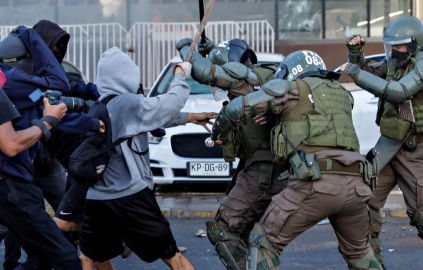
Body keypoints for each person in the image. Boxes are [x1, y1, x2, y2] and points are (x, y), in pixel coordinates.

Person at [214, 50, 381, 270]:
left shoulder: (292, 88)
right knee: (360, 254)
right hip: (358, 186)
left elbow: (239, 108)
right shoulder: (341, 93)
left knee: (262, 244)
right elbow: (309, 115)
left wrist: (220, 129)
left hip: (316, 183)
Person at [78, 46, 215, 270]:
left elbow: (148, 116)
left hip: (96, 196)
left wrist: (190, 118)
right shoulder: (126, 103)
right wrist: (180, 75)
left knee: (89, 256)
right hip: (130, 195)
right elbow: (168, 104)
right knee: (172, 255)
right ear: (128, 76)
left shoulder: (99, 107)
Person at [341, 16, 423, 270]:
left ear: (416, 44)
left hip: (419, 149)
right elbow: (373, 76)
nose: (395, 50)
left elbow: (398, 92)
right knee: (363, 199)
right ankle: (373, 264)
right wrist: (355, 53)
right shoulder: (397, 61)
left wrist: (356, 75)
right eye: (392, 45)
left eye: (401, 45)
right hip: (390, 145)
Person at [176, 38, 285, 270]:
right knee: (249, 236)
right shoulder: (267, 76)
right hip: (277, 170)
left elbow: (204, 72)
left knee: (223, 229)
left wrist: (187, 48)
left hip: (261, 173)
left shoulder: (242, 78)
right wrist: (209, 49)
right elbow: (227, 61)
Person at [0, 69, 82, 270]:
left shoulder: (18, 91)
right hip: (10, 185)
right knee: (67, 259)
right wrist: (47, 121)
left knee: (42, 259)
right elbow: (10, 144)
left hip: (20, 182)